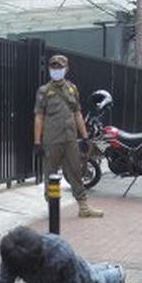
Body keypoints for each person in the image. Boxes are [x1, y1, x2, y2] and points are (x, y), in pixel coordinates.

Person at [34, 54, 102, 218]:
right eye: (54, 67)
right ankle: (52, 207)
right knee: (50, 173)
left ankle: (83, 206)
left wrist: (85, 137)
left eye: (60, 67)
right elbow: (39, 116)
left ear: (66, 69)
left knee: (75, 171)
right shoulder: (44, 91)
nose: (56, 70)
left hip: (70, 138)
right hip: (52, 139)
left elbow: (77, 113)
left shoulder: (72, 89)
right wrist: (37, 141)